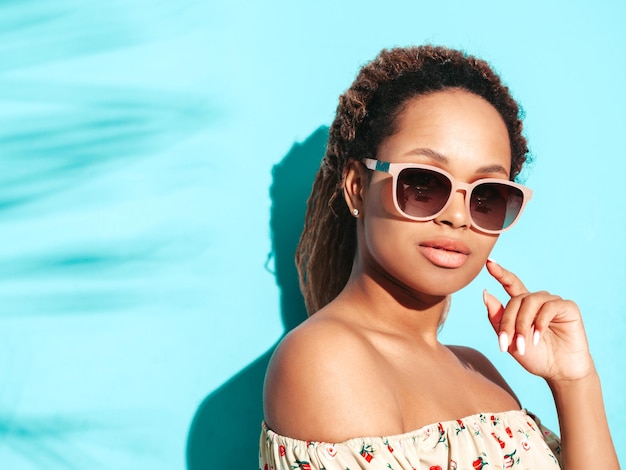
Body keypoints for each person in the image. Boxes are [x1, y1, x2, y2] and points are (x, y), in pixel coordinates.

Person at [260, 45, 619, 469]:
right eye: (423, 183)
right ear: (358, 186)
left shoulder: (480, 369)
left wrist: (574, 381)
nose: (456, 217)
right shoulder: (325, 360)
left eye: (486, 195)